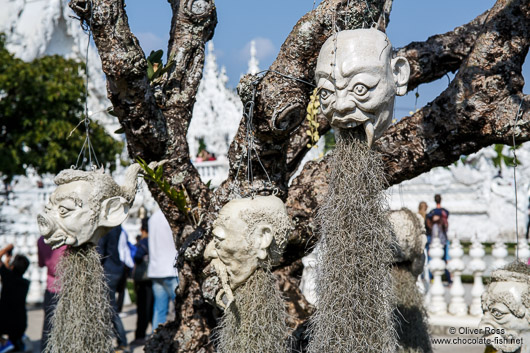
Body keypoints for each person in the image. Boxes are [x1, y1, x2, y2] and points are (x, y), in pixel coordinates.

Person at [98, 226, 128, 351]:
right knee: (111, 308)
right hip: (117, 268)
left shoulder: (106, 228)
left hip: (109, 270)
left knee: (110, 309)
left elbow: (100, 252)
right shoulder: (119, 227)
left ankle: (122, 342)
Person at [148, 209, 179, 330]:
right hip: (171, 269)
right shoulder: (171, 216)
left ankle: (154, 341)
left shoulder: (153, 217)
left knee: (159, 310)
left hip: (156, 270)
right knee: (181, 308)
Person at [37, 236, 67, 352]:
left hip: (50, 286)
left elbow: (41, 263)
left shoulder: (41, 240)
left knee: (48, 325)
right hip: (65, 287)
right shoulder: (65, 240)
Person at [0, 243, 30, 352]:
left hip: (4, 323)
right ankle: (15, 344)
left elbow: (7, 274)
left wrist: (6, 249)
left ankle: (4, 344)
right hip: (20, 324)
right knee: (15, 341)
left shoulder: (8, 277)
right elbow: (9, 274)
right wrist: (8, 263)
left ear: (13, 266)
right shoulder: (25, 283)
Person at [131, 218, 153, 345]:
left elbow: (137, 257)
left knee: (143, 308)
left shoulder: (144, 242)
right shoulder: (156, 241)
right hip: (154, 277)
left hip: (143, 280)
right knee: (152, 307)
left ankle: (140, 335)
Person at [426, 194, 451, 283]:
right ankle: (449, 280)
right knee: (444, 259)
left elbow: (428, 218)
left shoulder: (432, 212)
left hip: (435, 239)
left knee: (431, 259)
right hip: (443, 238)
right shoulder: (444, 212)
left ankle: (430, 278)